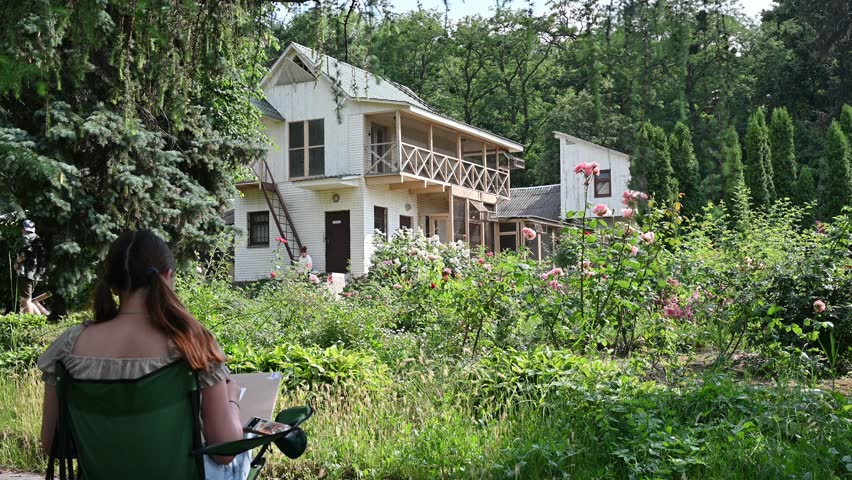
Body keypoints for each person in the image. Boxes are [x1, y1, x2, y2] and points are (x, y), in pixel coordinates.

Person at [37, 230, 250, 479]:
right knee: (245, 448)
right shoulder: (192, 345)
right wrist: (232, 399)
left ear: (113, 286)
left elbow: (54, 446)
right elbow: (225, 451)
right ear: (168, 276)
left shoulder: (68, 348)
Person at [14, 220, 49, 315]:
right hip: (35, 274)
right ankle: (38, 319)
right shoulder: (38, 239)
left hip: (26, 273)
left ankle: (29, 321)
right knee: (25, 299)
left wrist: (16, 263)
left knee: (26, 300)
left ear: (23, 229)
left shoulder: (24, 239)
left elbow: (22, 256)